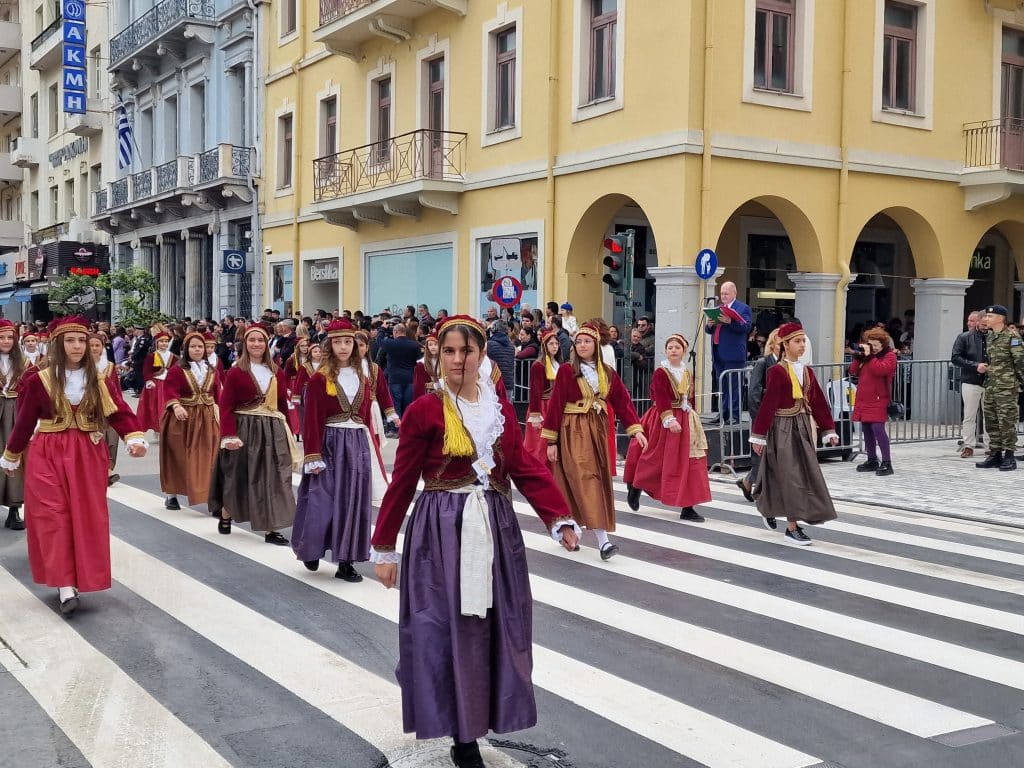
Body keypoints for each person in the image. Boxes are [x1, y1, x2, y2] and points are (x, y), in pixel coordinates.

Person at [370, 315, 579, 768]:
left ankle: (483, 718)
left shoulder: (498, 410)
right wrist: (384, 547)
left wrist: (558, 516)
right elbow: (403, 480)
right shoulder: (425, 410)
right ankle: (461, 736)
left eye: (467, 351)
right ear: (437, 355)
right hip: (442, 532)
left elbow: (523, 466)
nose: (458, 359)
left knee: (495, 629)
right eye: (449, 351)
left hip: (495, 528)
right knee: (446, 630)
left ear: (482, 355)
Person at [0, 316, 147, 616]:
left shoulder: (100, 380)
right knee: (53, 516)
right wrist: (11, 455)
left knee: (85, 516)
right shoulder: (37, 379)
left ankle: (79, 576)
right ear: (57, 344)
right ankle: (64, 585)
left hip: (87, 454)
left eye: (81, 340)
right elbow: (25, 421)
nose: (77, 346)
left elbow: (119, 412)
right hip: (47, 453)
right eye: (70, 340)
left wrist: (134, 438)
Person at [294, 320, 399, 581]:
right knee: (322, 501)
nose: (343, 347)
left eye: (348, 342)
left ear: (355, 345)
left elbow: (364, 417)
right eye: (338, 342)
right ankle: (312, 549)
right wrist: (312, 454)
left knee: (354, 504)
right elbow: (313, 419)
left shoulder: (363, 378)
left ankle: (346, 561)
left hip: (356, 445)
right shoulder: (320, 379)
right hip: (329, 445)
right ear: (330, 345)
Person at [542, 322, 647, 560]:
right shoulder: (568, 371)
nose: (582, 345)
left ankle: (567, 531)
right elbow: (556, 405)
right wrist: (551, 442)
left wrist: (636, 430)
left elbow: (622, 401)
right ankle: (603, 541)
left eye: (587, 341)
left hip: (598, 431)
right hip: (573, 431)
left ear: (596, 344)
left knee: (595, 481)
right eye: (578, 342)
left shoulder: (608, 373)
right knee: (585, 480)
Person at [749, 323, 839, 545]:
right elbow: (769, 404)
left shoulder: (807, 371)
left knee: (803, 473)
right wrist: (758, 435)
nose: (801, 346)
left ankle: (772, 505)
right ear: (785, 344)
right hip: (783, 428)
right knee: (790, 476)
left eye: (803, 342)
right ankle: (792, 527)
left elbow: (817, 400)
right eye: (797, 342)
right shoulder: (777, 371)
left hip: (803, 427)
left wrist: (829, 429)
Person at [208, 323, 299, 544]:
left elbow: (281, 406)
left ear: (266, 343)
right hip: (245, 428)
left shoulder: (276, 371)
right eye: (252, 340)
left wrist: (288, 429)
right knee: (238, 476)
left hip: (272, 429)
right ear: (245, 344)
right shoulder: (236, 372)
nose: (256, 344)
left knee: (274, 477)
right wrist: (229, 436)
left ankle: (271, 527)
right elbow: (226, 406)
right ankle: (227, 512)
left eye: (260, 340)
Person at [624, 333, 712, 521]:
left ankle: (688, 506)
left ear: (684, 351)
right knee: (655, 458)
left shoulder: (686, 372)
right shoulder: (661, 372)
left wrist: (692, 414)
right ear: (665, 351)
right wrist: (669, 419)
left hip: (685, 420)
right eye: (670, 347)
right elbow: (661, 396)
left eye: (677, 347)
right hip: (662, 419)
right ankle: (636, 485)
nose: (673, 350)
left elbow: (690, 396)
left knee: (690, 462)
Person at [160, 331, 222, 510]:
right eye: (193, 346)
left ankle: (212, 497)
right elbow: (169, 390)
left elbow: (218, 393)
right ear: (186, 349)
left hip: (207, 418)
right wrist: (176, 406)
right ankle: (172, 494)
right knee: (180, 457)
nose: (197, 349)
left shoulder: (211, 370)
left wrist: (223, 412)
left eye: (200, 346)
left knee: (209, 458)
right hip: (183, 418)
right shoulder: (177, 369)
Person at [975, 305, 1024, 471]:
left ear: (1000, 318)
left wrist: (1019, 383)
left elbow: (1020, 362)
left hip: (1007, 386)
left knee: (1007, 421)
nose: (986, 319)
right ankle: (995, 454)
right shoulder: (990, 337)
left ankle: (1009, 456)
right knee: (992, 421)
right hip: (991, 385)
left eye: (990, 316)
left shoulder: (1012, 337)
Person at [736, 329, 780, 502]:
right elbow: (754, 393)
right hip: (763, 416)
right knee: (761, 456)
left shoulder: (787, 364)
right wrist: (759, 418)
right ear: (772, 345)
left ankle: (748, 482)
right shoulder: (763, 363)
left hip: (780, 416)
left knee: (774, 455)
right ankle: (758, 489)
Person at [850, 328, 898, 476]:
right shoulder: (867, 357)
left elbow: (880, 370)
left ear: (883, 344)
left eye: (876, 345)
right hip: (864, 399)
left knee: (878, 428)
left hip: (879, 398)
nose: (873, 347)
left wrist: (870, 357)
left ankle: (886, 462)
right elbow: (853, 371)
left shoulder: (889, 356)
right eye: (870, 344)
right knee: (867, 429)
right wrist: (859, 357)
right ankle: (872, 459)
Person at [705, 281, 752, 424]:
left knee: (734, 386)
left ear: (734, 293)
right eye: (722, 293)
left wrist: (730, 321)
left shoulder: (743, 308)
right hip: (718, 352)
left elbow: (746, 327)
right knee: (722, 385)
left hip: (734, 354)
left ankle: (735, 415)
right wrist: (709, 324)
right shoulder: (719, 308)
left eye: (726, 293)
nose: (723, 296)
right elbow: (709, 331)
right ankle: (723, 413)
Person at [952, 310, 989, 458]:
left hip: (989, 382)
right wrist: (975, 365)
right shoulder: (964, 337)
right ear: (978, 321)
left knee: (989, 416)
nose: (986, 326)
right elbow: (955, 357)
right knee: (969, 415)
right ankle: (968, 445)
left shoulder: (994, 337)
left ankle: (990, 446)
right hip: (970, 380)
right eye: (984, 323)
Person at [89, 332, 123, 488]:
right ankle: (96, 470)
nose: (95, 348)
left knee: (112, 439)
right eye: (91, 345)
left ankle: (109, 470)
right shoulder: (82, 366)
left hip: (108, 408)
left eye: (98, 345)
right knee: (96, 440)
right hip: (90, 409)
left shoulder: (109, 366)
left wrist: (118, 406)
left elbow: (116, 388)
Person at [0, 321, 25, 530]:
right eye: (2, 337)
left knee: (16, 457)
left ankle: (14, 509)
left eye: (10, 337)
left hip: (17, 412)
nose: (6, 341)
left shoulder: (22, 362)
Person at [524, 329, 561, 466]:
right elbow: (535, 392)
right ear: (545, 345)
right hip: (542, 407)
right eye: (551, 344)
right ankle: (537, 469)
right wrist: (535, 415)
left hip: (554, 407)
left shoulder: (557, 364)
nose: (555, 346)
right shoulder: (538, 365)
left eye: (556, 344)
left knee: (552, 441)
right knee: (539, 443)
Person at [376, 322, 421, 418]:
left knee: (395, 404)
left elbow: (378, 340)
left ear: (395, 332)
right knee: (408, 405)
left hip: (394, 379)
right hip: (410, 379)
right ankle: (406, 426)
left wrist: (382, 328)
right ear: (404, 332)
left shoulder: (390, 343)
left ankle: (396, 427)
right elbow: (419, 360)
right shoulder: (415, 345)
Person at [136, 330, 177, 433]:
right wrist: (149, 380)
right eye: (161, 341)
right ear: (157, 343)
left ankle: (166, 426)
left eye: (166, 341)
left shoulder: (173, 356)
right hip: (155, 384)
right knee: (154, 407)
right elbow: (147, 370)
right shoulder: (152, 356)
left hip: (168, 384)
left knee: (165, 406)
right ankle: (157, 427)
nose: (164, 343)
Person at [486, 320, 515, 394]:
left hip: (494, 383)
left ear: (493, 329)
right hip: (509, 384)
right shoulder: (511, 346)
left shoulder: (489, 344)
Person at [412, 330, 441, 400]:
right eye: (430, 345)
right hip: (428, 397)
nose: (433, 347)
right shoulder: (421, 364)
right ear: (427, 347)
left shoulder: (445, 362)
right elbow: (418, 387)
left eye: (435, 344)